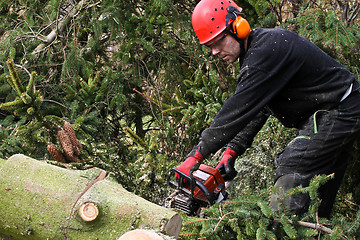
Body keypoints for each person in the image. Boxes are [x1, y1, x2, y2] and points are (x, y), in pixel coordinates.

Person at [176, 0, 360, 218]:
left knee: (294, 165)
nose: (215, 52)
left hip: (339, 109)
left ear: (237, 27)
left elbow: (236, 109)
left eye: (218, 42)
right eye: (209, 47)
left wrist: (194, 157)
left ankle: (283, 228)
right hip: (338, 109)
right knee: (318, 197)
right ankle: (317, 229)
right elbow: (259, 107)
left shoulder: (264, 53)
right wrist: (232, 150)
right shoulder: (257, 53)